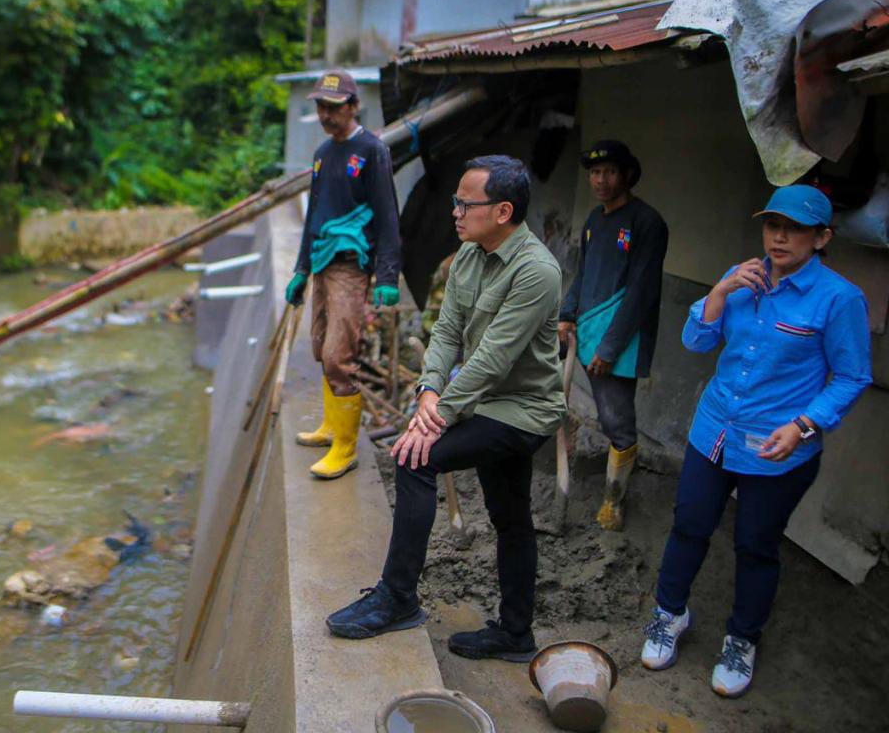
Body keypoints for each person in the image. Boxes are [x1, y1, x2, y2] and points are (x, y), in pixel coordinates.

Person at [326, 155, 564, 662]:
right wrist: (429, 391)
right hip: (480, 399)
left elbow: (493, 359)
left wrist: (436, 417)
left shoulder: (537, 271)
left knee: (416, 457)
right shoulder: (470, 256)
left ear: (502, 211)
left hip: (522, 410)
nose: (455, 210)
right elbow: (447, 333)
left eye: (465, 202)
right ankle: (516, 635)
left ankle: (398, 598)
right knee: (510, 517)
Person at [640, 185, 871, 698]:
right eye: (772, 225)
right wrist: (720, 293)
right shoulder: (741, 278)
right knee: (690, 524)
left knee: (755, 545)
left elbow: (852, 376)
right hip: (715, 430)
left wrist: (805, 425)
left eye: (794, 229)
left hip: (777, 446)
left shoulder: (838, 299)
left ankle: (741, 639)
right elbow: (695, 341)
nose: (780, 237)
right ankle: (669, 614)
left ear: (822, 237)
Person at [284, 70, 401, 481]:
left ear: (353, 106)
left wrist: (387, 275)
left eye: (333, 108)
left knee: (339, 354)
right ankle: (331, 426)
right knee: (320, 347)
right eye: (320, 107)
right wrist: (300, 270)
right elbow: (314, 215)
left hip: (353, 265)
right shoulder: (322, 153)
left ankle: (346, 448)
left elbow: (388, 216)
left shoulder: (372, 150)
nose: (326, 115)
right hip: (321, 260)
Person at [559, 140, 669, 530]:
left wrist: (609, 347)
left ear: (626, 175)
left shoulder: (647, 223)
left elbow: (641, 292)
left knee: (617, 421)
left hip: (618, 342)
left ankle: (614, 499)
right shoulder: (593, 220)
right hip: (586, 329)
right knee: (606, 418)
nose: (600, 181)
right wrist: (566, 314)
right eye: (594, 173)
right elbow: (583, 272)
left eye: (608, 172)